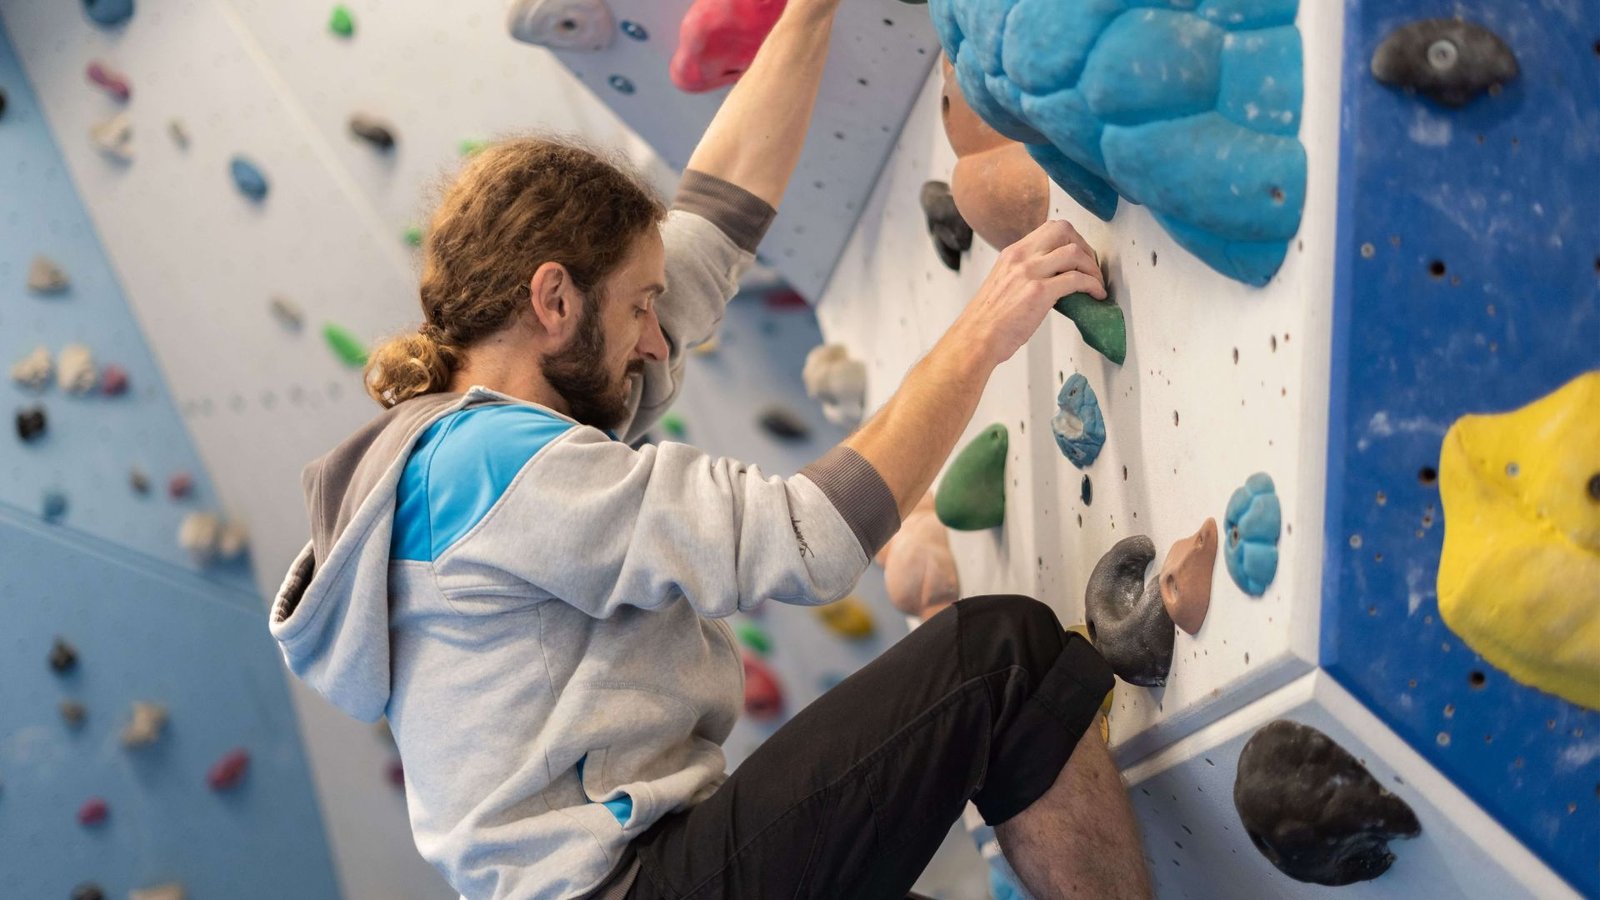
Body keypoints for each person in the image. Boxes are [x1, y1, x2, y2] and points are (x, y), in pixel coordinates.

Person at [269, 0, 1152, 896]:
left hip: (652, 866)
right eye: (639, 307)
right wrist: (986, 328)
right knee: (999, 660)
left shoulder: (485, 440)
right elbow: (806, 538)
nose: (657, 340)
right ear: (553, 300)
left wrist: (810, 12)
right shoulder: (492, 470)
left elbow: (716, 219)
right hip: (635, 887)